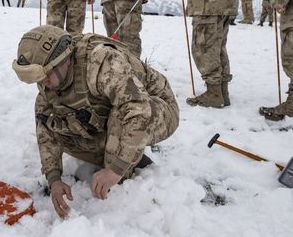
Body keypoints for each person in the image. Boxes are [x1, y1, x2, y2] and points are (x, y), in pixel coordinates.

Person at [11, 25, 179, 218]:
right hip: (117, 111)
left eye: (45, 76)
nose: (42, 84)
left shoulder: (101, 61)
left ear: (64, 60)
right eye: (37, 79)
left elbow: (139, 111)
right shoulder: (49, 82)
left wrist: (115, 170)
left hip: (157, 107)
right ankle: (125, 152)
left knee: (122, 118)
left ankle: (121, 182)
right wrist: (54, 179)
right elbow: (45, 128)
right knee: (61, 124)